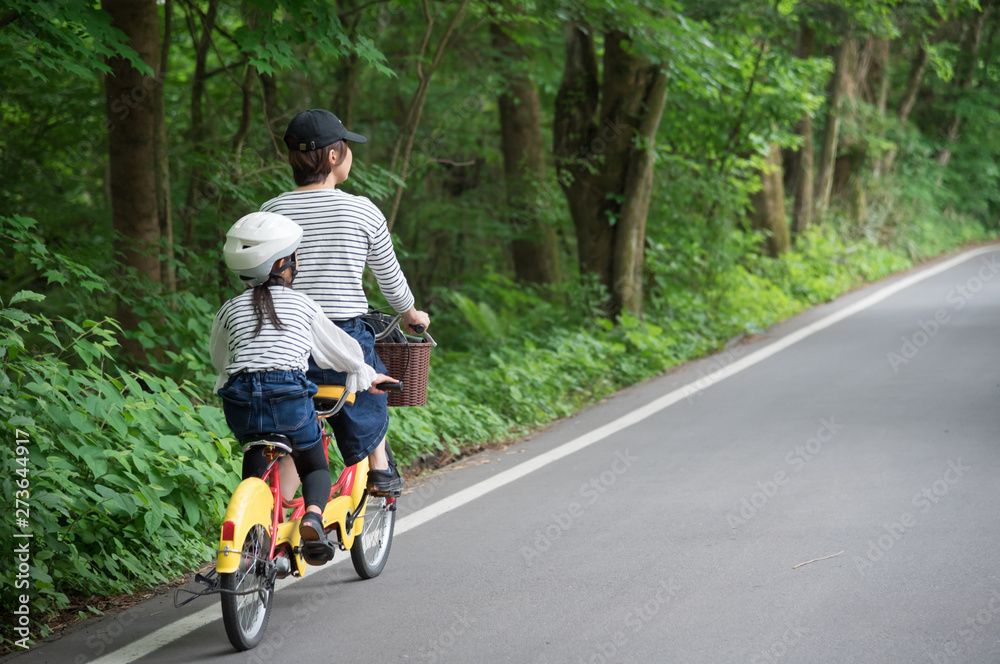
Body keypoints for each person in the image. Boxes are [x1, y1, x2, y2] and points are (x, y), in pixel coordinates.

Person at [260, 109, 430, 495]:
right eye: (347, 147)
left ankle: (280, 516)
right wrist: (411, 314)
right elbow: (391, 280)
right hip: (341, 335)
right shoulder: (361, 209)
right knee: (370, 388)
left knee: (290, 428)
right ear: (333, 156)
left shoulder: (271, 210)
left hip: (283, 338)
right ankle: (381, 470)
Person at [210, 211, 396, 564]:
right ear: (284, 263)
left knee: (257, 446)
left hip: (240, 403)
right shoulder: (303, 304)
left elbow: (220, 358)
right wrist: (367, 374)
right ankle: (312, 516)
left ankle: (259, 521)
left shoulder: (229, 309)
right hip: (290, 400)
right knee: (313, 465)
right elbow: (341, 352)